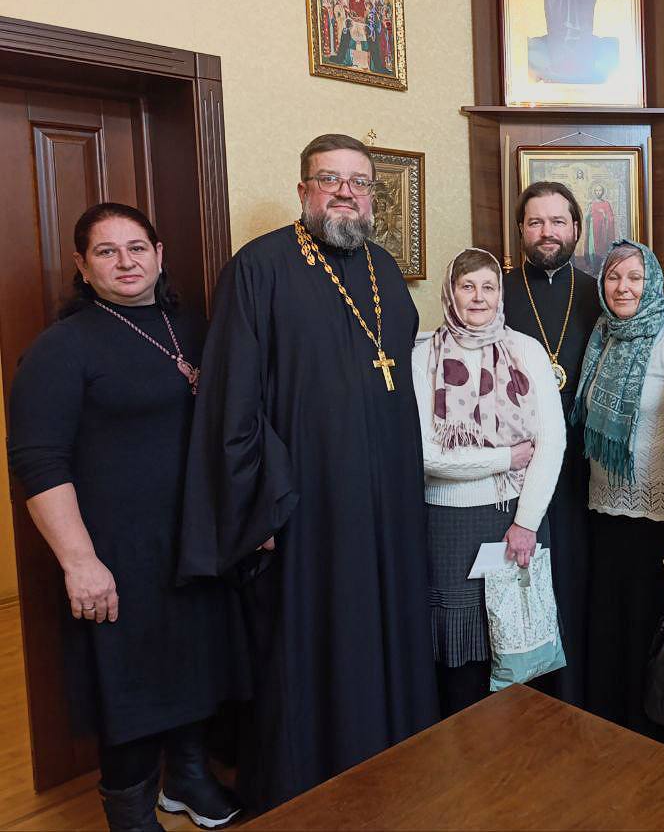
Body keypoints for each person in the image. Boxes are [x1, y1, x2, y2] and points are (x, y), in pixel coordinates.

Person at [177, 133, 439, 811]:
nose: (346, 192)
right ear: (303, 191)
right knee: (314, 640)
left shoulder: (384, 269)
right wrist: (256, 507)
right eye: (330, 179)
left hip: (389, 499)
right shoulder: (258, 268)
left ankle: (394, 768)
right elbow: (232, 400)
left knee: (387, 624)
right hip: (306, 503)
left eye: (359, 181)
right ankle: (311, 791)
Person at [7, 204, 241, 832]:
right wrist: (79, 562)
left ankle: (187, 780)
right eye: (106, 252)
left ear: (159, 255)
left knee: (197, 670)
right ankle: (131, 818)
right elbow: (37, 461)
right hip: (115, 555)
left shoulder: (190, 326)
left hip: (191, 545)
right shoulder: (61, 348)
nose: (126, 262)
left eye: (137, 247)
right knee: (131, 694)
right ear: (82, 267)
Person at [412, 248, 565, 716]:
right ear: (450, 292)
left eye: (488, 287)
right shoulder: (423, 356)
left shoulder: (527, 350)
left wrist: (527, 522)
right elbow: (426, 457)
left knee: (518, 643)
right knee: (459, 659)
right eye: (467, 287)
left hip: (514, 519)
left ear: (500, 294)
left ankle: (519, 748)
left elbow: (552, 442)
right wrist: (505, 458)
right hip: (448, 523)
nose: (478, 297)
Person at [573, 241, 664, 735]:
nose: (623, 288)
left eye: (634, 278)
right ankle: (611, 726)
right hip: (605, 505)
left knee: (651, 623)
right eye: (613, 277)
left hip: (661, 512)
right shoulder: (601, 333)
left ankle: (649, 732)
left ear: (652, 282)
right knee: (610, 620)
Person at [503, 181, 603, 706]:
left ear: (577, 229)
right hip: (516, 467)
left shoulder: (598, 292)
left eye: (558, 222)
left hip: (584, 466)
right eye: (536, 222)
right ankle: (524, 699)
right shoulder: (497, 290)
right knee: (522, 578)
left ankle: (576, 696)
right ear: (520, 229)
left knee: (577, 578)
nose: (547, 232)